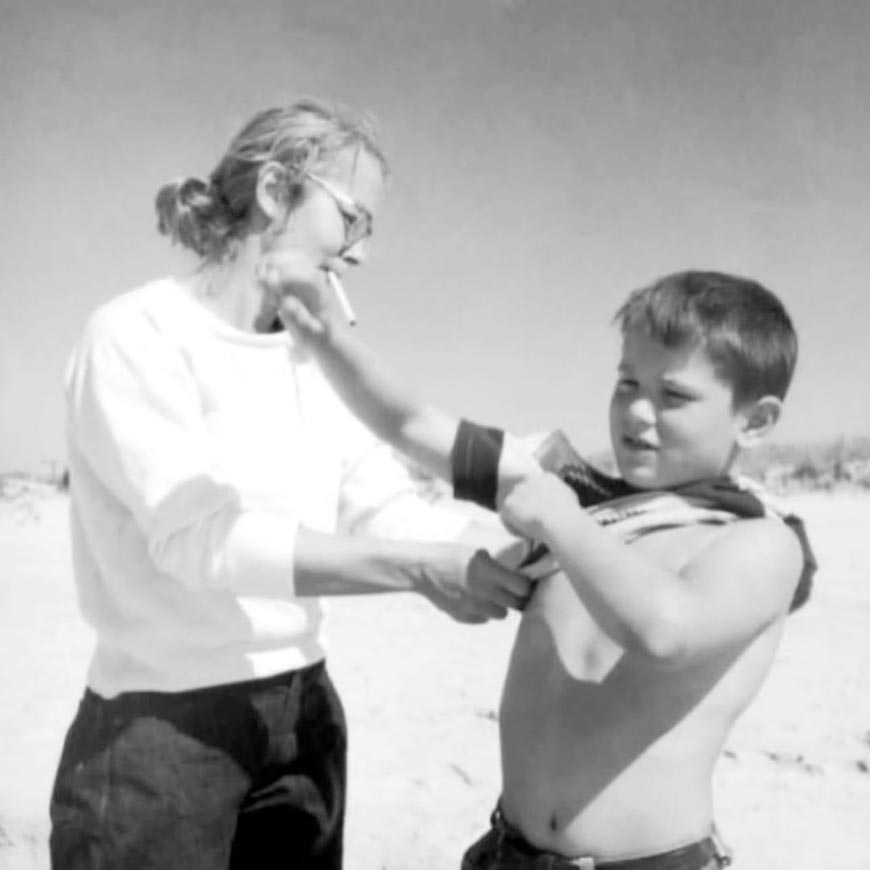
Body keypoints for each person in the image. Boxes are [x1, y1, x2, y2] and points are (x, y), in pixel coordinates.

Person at [49, 98, 536, 870]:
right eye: (353, 220)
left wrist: (511, 547)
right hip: (162, 728)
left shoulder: (312, 355)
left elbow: (380, 501)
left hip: (306, 709)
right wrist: (418, 571)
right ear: (276, 191)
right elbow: (201, 543)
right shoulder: (135, 334)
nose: (361, 254)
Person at [270, 266, 816, 870]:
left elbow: (666, 632)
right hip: (509, 852)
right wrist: (326, 338)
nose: (637, 412)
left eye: (674, 395)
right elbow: (414, 425)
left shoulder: (759, 539)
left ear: (756, 420)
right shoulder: (581, 493)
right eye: (627, 383)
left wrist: (564, 523)